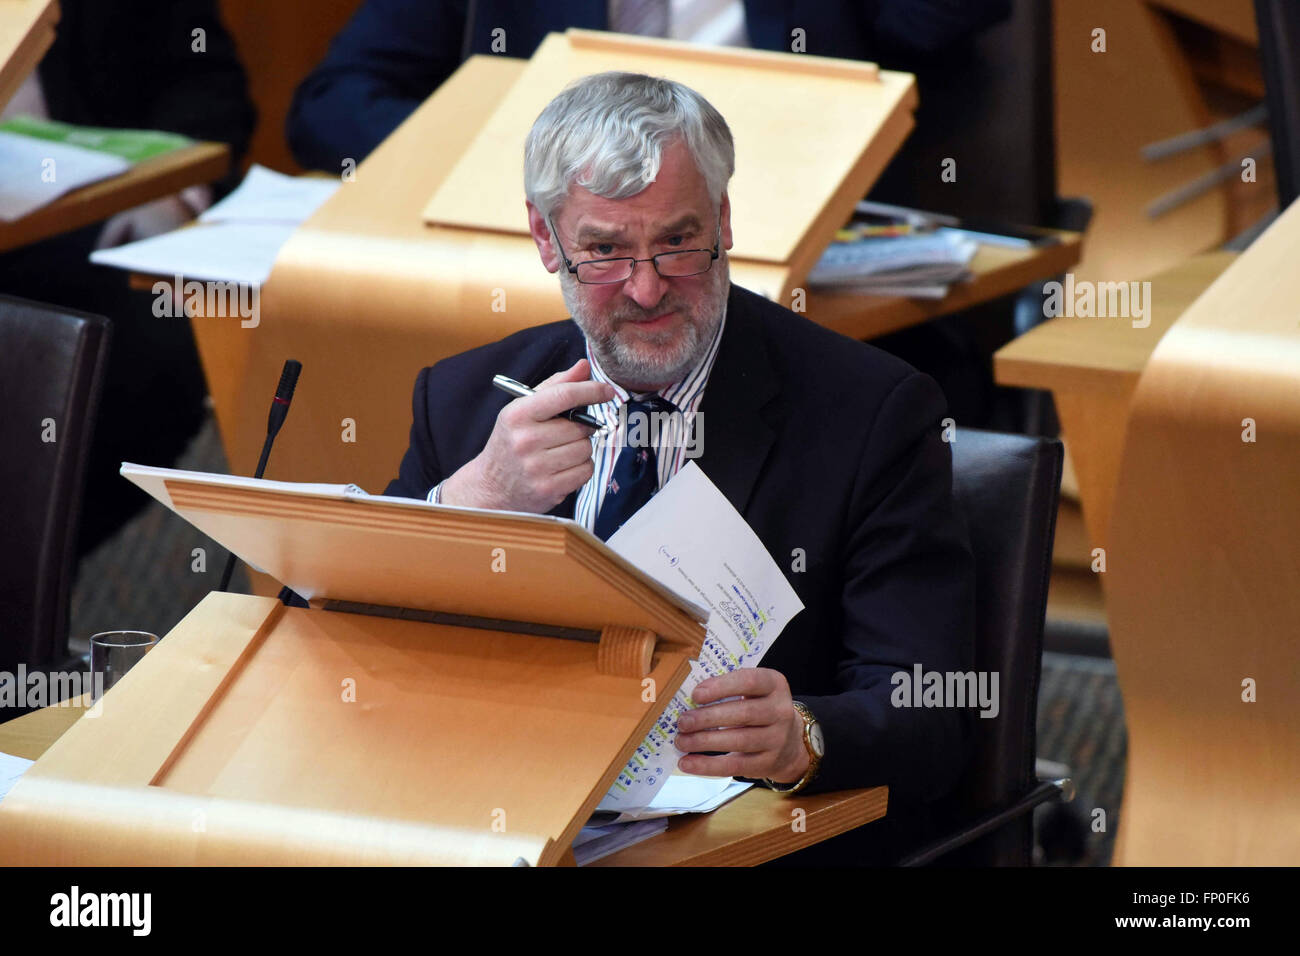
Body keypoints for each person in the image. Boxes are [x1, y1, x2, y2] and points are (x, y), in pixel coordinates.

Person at [384, 72, 976, 864]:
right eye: (603, 251)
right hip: (498, 818)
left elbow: (933, 710)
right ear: (543, 238)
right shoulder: (462, 399)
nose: (647, 287)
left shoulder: (873, 414)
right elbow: (326, 639)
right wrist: (473, 499)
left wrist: (802, 736)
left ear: (725, 221)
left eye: (677, 242)